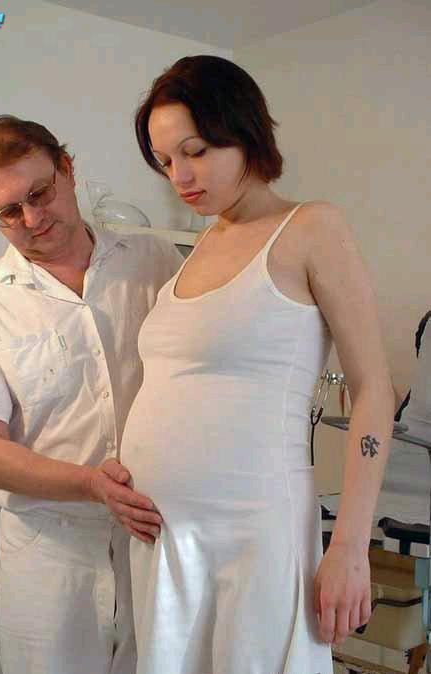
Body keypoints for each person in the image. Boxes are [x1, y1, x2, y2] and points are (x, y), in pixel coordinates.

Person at [119, 55, 395, 674]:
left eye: (194, 151)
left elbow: (374, 388)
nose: (179, 176)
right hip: (169, 540)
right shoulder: (200, 246)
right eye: (165, 161)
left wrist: (351, 546)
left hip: (254, 534)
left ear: (242, 131)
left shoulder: (310, 227)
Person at [0, 115, 183, 674]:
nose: (32, 219)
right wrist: (90, 484)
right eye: (8, 212)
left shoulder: (155, 262)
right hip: (51, 557)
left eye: (40, 193)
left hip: (157, 537)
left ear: (67, 168)